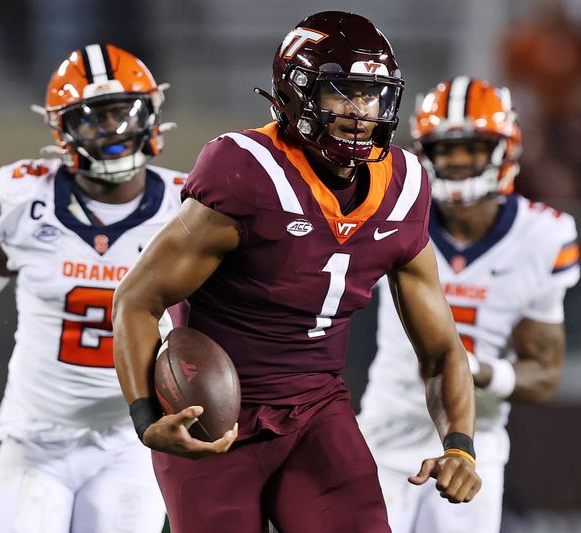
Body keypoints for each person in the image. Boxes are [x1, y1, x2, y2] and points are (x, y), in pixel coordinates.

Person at [113, 12, 481, 533]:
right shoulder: (248, 172)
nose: (360, 112)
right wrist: (148, 420)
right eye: (341, 94)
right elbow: (136, 298)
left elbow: (442, 348)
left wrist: (460, 446)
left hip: (317, 406)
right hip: (213, 411)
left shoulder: (404, 187)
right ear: (293, 96)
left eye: (372, 96)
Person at [0, 43, 184, 533]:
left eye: (124, 113)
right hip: (34, 440)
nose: (114, 132)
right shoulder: (24, 200)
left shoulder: (187, 208)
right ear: (62, 128)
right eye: (94, 119)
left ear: (152, 113)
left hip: (130, 441)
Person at [357, 77, 580, 533]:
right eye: (445, 148)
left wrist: (475, 370)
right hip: (382, 435)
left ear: (504, 148)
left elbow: (543, 375)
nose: (458, 161)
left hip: (473, 447)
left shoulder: (543, 237)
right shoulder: (390, 213)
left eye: (473, 147)